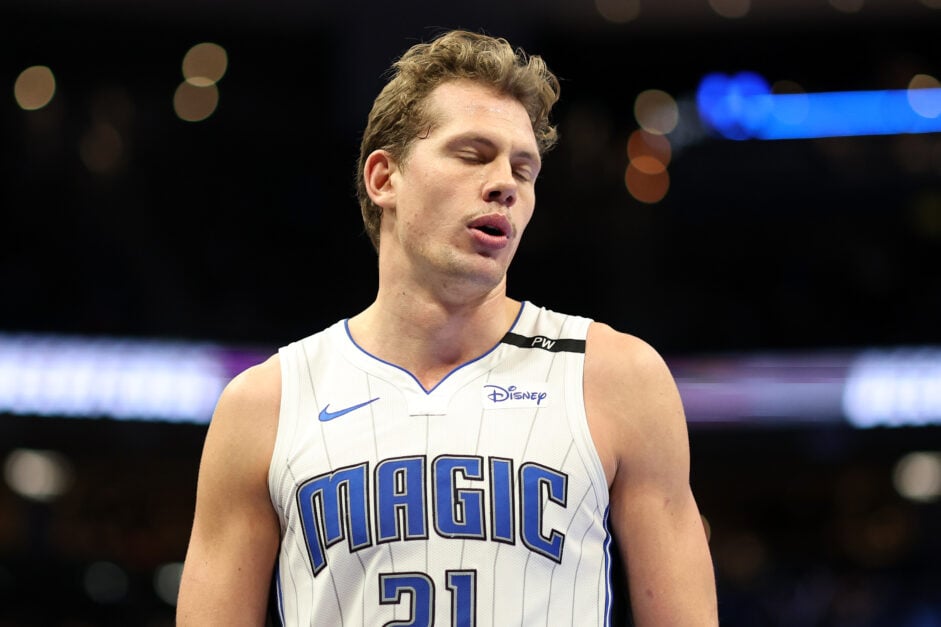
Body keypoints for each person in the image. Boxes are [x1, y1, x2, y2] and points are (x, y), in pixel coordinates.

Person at [176, 29, 718, 626]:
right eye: (472, 154)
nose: (505, 185)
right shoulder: (265, 403)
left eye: (524, 168)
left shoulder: (617, 377)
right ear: (384, 178)